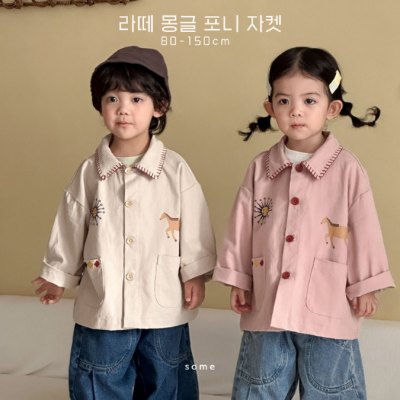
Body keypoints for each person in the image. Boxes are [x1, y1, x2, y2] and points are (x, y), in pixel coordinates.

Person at [32, 46, 216, 400]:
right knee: (99, 379)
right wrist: (57, 275)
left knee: (167, 379)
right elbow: (70, 225)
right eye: (112, 98)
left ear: (159, 106)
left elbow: (196, 224)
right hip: (105, 305)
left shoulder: (175, 169)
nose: (123, 109)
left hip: (163, 304)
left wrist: (195, 273)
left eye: (136, 99)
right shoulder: (89, 172)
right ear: (100, 107)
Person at [213, 47, 395, 399]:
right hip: (267, 303)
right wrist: (238, 278)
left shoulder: (347, 169)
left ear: (332, 108)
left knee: (331, 390)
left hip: (329, 305)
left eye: (309, 100)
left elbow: (365, 229)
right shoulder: (260, 167)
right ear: (270, 108)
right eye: (284, 101)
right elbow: (241, 227)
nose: (296, 110)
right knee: (259, 387)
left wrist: (365, 285)